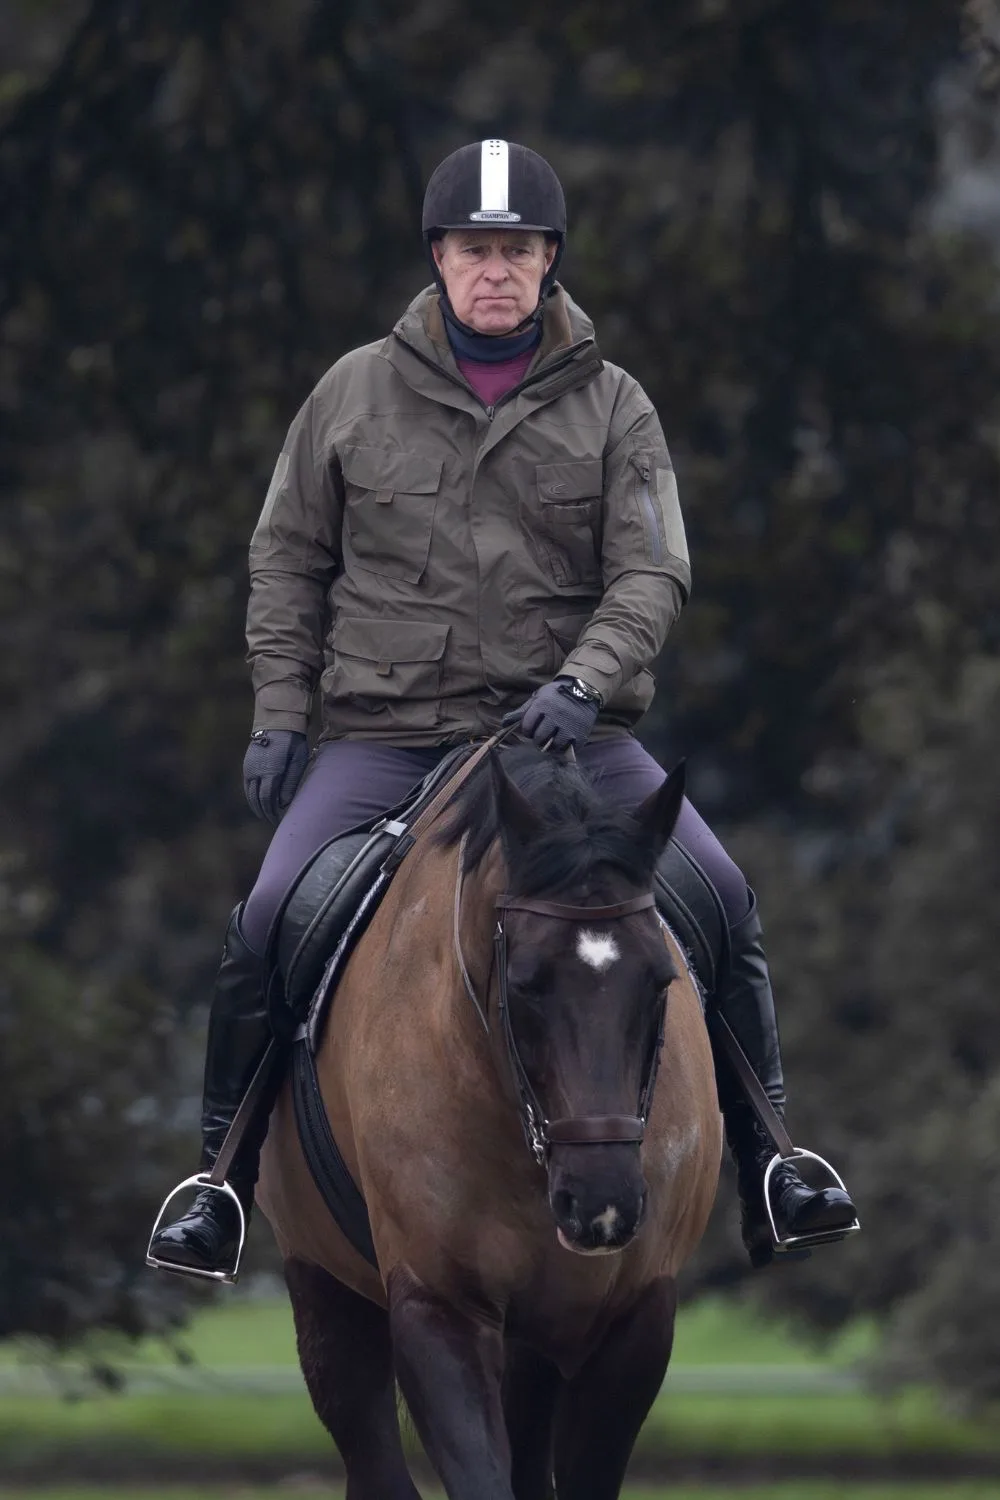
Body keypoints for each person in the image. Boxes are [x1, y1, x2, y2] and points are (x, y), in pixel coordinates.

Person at [149, 139, 857, 1279]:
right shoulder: (348, 394)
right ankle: (218, 1184)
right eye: (475, 250)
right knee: (270, 912)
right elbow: (285, 561)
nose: (495, 271)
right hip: (385, 732)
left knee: (720, 896)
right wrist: (280, 709)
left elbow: (651, 572)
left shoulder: (616, 406)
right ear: (437, 257)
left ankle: (777, 1163)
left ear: (548, 262)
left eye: (516, 251)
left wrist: (583, 682)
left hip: (569, 741)